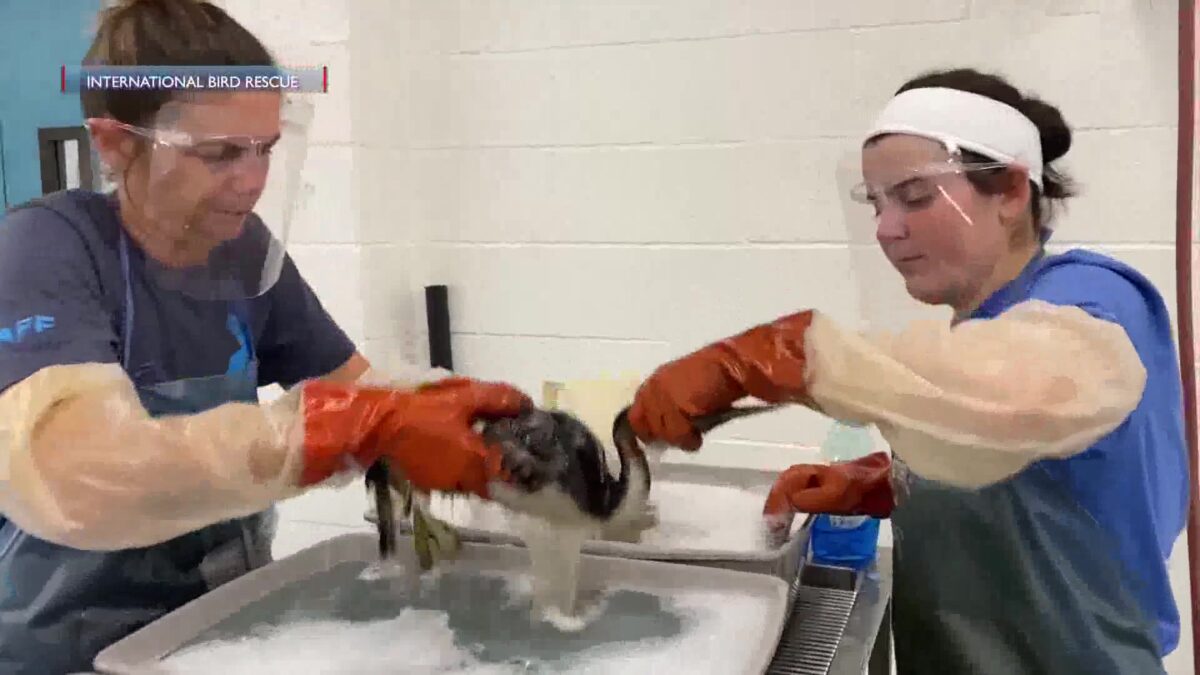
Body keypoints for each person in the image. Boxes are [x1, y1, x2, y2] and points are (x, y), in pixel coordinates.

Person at [0, 1, 533, 672]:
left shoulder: (242, 249)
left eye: (266, 149)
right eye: (220, 153)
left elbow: (359, 389)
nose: (252, 181)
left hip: (213, 633)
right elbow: (76, 474)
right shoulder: (46, 249)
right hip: (65, 652)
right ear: (116, 144)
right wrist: (325, 434)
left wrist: (472, 420)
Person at [628, 68, 1188, 673]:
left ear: (1010, 192)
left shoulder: (1099, 298)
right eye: (876, 203)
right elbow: (1024, 455)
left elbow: (1014, 393)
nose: (886, 229)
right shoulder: (986, 323)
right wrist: (888, 482)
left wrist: (765, 358)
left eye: (916, 197)